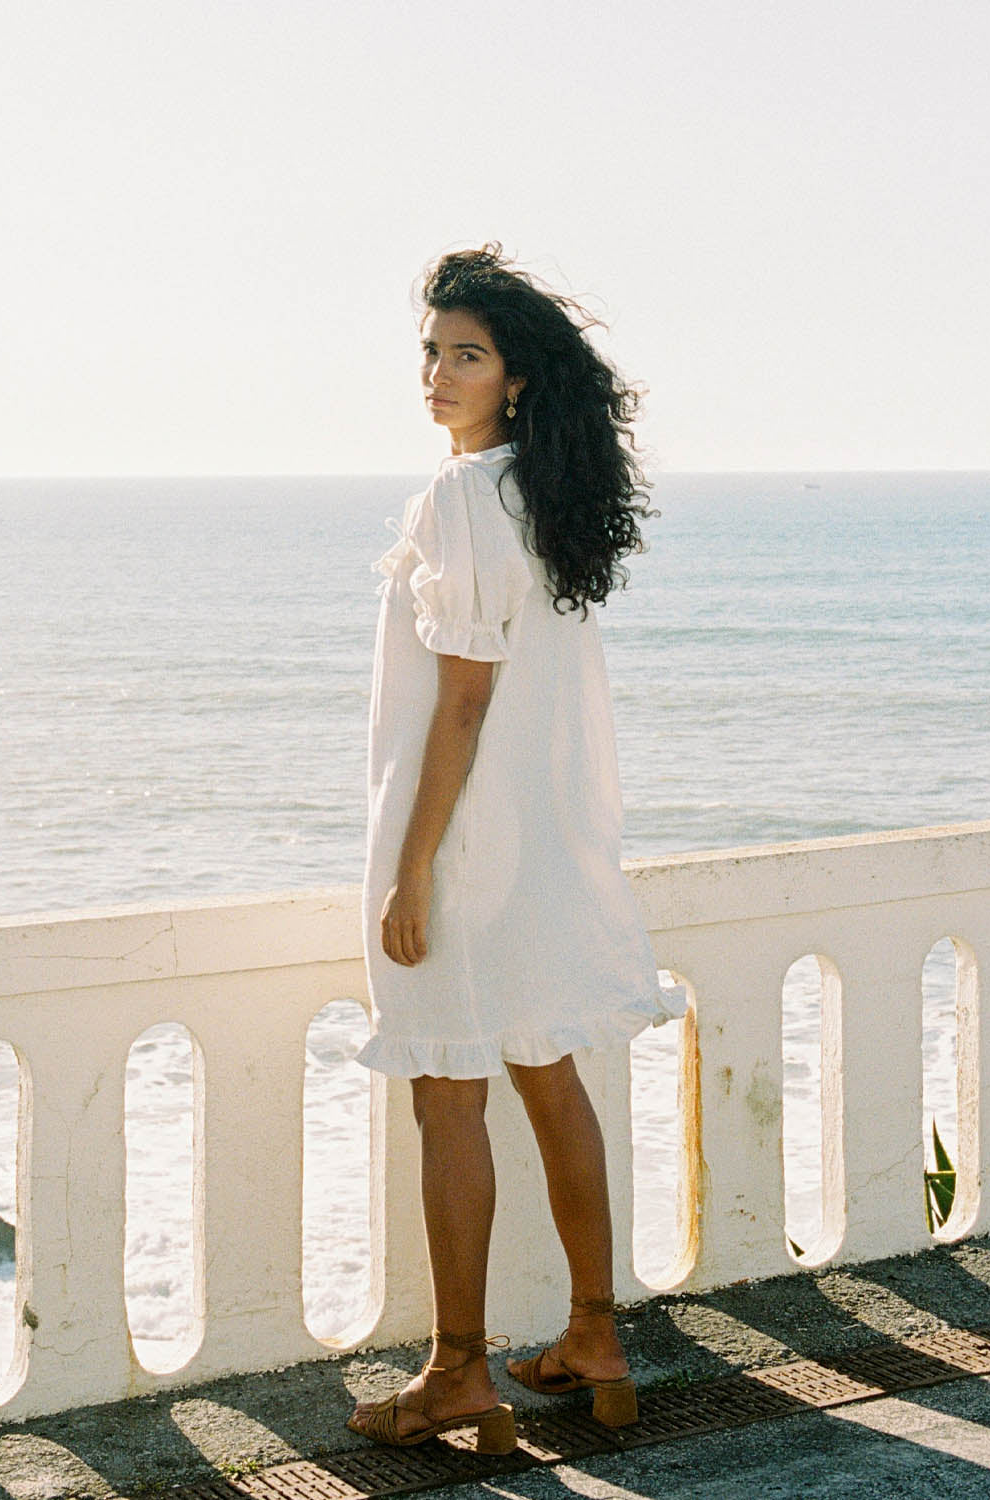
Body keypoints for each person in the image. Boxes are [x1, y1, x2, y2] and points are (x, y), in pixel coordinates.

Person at [348, 244, 671, 1453]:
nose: (437, 373)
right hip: (537, 833)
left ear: (517, 378)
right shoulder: (542, 492)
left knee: (450, 1097)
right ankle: (594, 1335)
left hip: (465, 834)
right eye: (430, 351)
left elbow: (464, 703)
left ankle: (458, 1374)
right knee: (547, 1071)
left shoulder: (464, 497)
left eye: (465, 355)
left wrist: (411, 867)